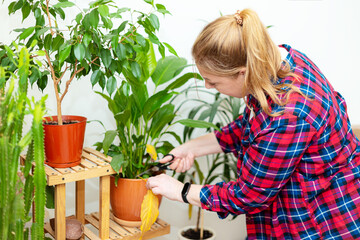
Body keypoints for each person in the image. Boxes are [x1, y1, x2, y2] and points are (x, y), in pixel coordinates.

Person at [146, 8, 360, 239]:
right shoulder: (281, 63)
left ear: (243, 73)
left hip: (319, 222)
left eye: (213, 82)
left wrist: (181, 190)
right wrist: (191, 148)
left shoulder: (289, 115)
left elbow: (249, 194)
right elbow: (255, 127)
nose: (208, 86)